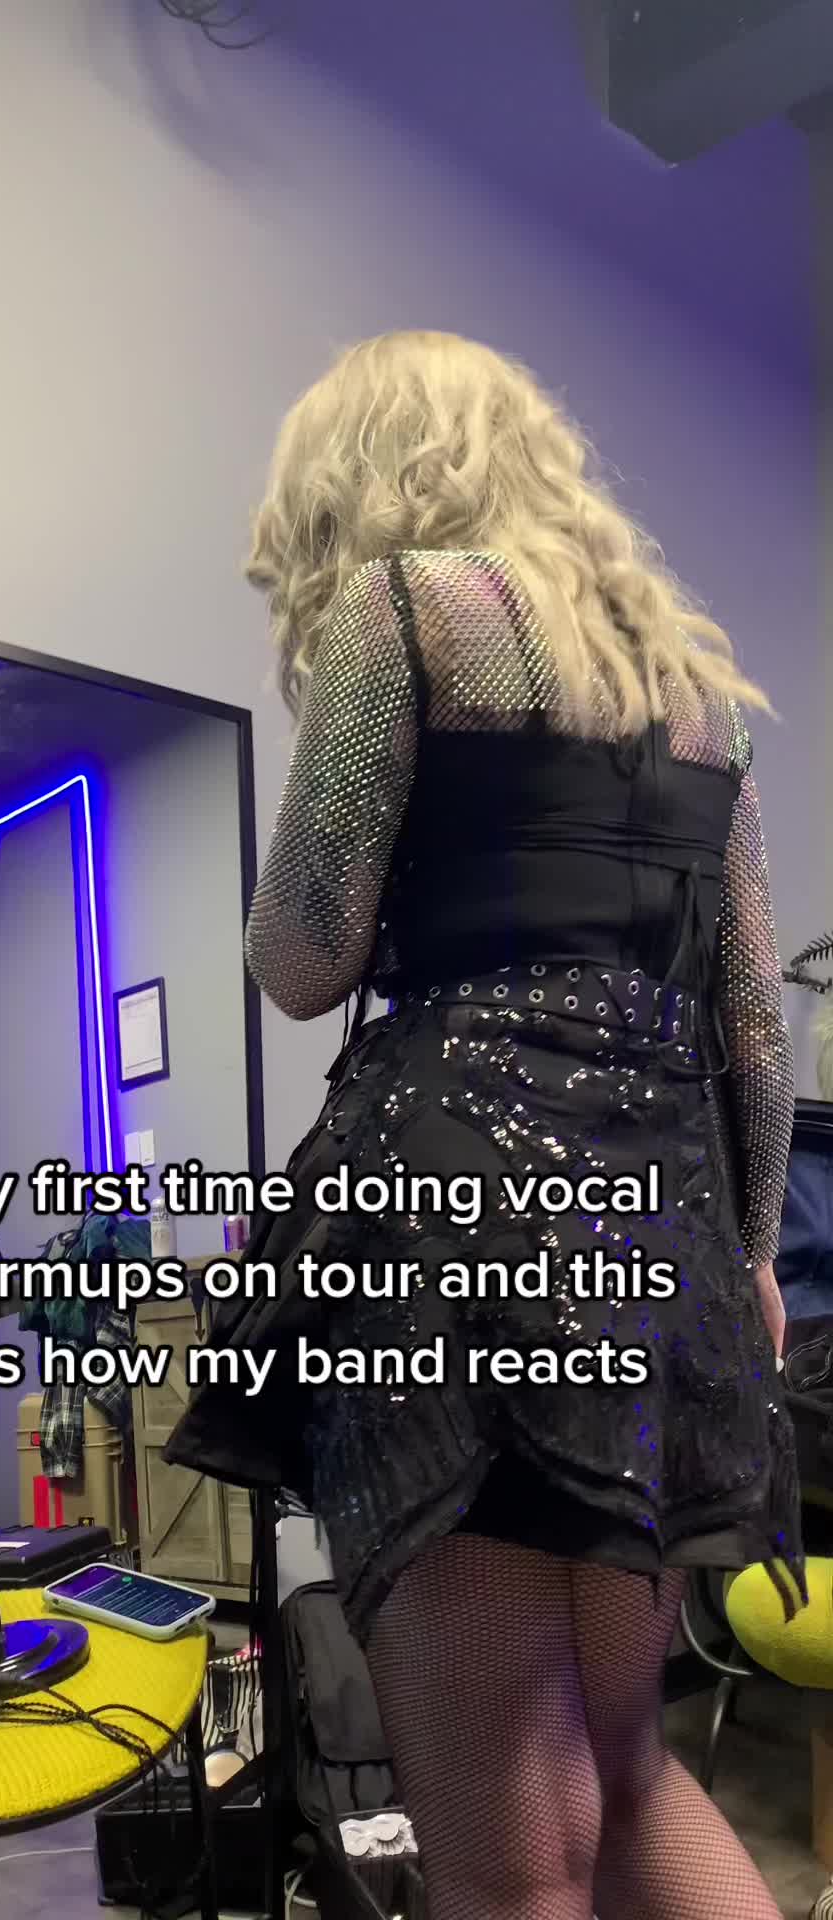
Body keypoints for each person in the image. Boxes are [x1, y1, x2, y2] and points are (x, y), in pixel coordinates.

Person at [166, 331, 801, 1920]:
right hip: (661, 1250)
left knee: (512, 1864)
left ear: (356, 482)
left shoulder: (407, 610)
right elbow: (754, 1037)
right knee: (633, 1776)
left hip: (453, 1236)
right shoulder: (696, 697)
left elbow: (300, 962)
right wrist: (748, 1262)